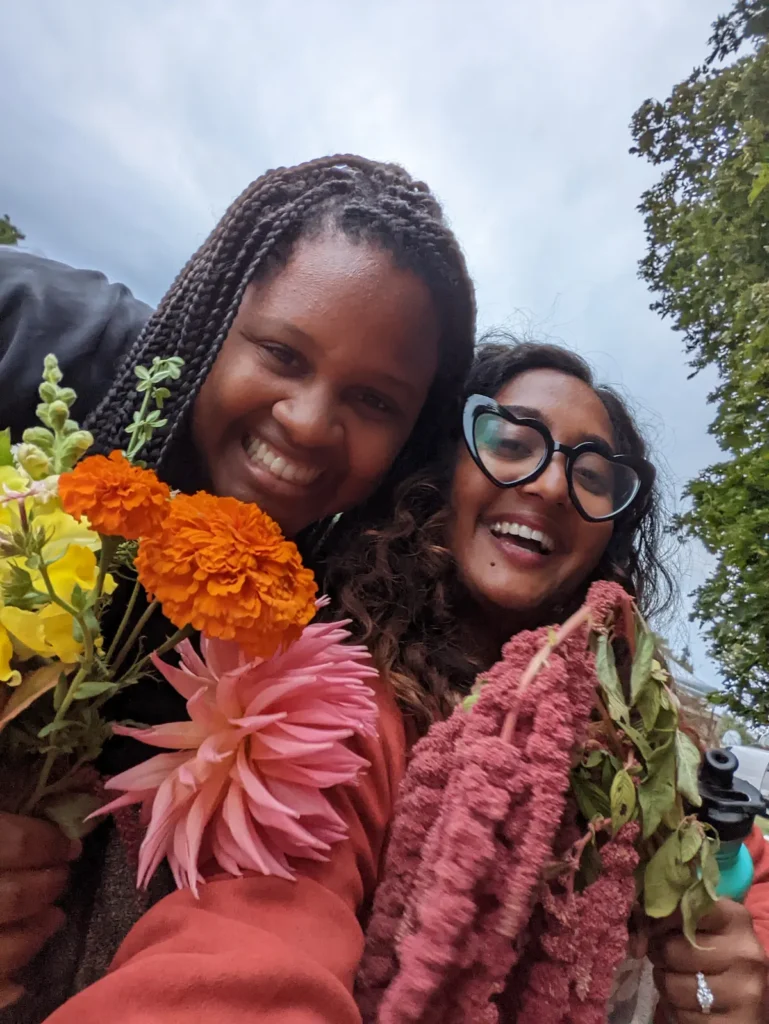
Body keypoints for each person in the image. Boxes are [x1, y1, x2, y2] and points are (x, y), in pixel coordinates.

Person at [39, 341, 768, 1023]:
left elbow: (746, 880)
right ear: (442, 467)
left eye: (590, 477)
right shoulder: (335, 704)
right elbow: (260, 937)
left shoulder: (650, 737)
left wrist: (736, 974)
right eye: (510, 443)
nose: (548, 485)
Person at [0, 154, 476, 1020]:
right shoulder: (29, 338)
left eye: (373, 401)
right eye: (283, 354)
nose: (307, 421)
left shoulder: (313, 615)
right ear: (219, 316)